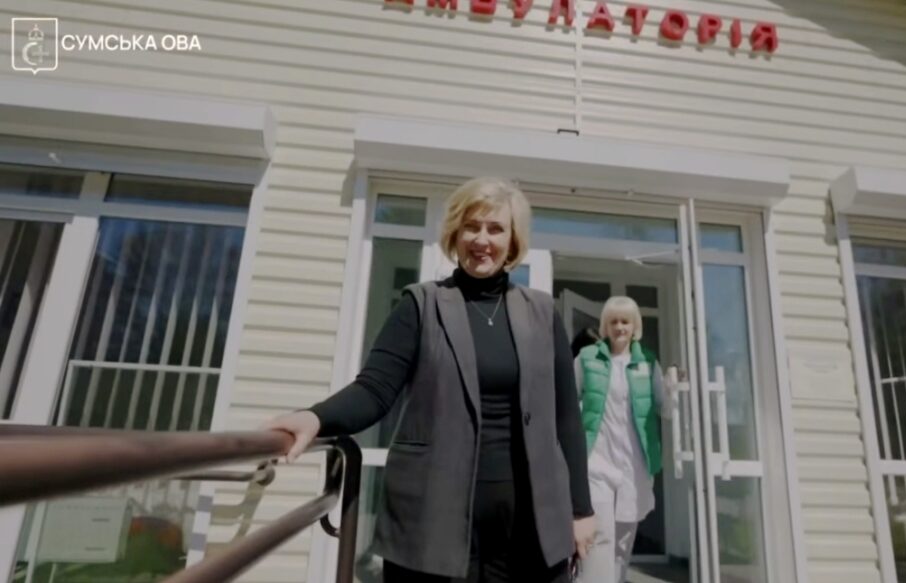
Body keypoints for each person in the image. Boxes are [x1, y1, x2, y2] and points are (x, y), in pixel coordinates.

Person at [262, 177, 597, 582]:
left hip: (530, 529)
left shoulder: (542, 313)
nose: (482, 239)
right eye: (471, 226)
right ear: (455, 234)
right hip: (434, 524)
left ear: (512, 241)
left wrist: (581, 509)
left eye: (495, 229)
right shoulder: (421, 305)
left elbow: (567, 419)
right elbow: (374, 390)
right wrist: (316, 417)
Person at [574, 296, 672, 583]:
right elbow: (567, 400)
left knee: (623, 541)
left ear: (634, 326)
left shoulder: (647, 362)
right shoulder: (587, 358)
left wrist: (673, 387)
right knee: (599, 535)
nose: (619, 327)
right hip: (596, 460)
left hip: (634, 464)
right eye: (614, 321)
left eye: (625, 321)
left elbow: (665, 408)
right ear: (606, 325)